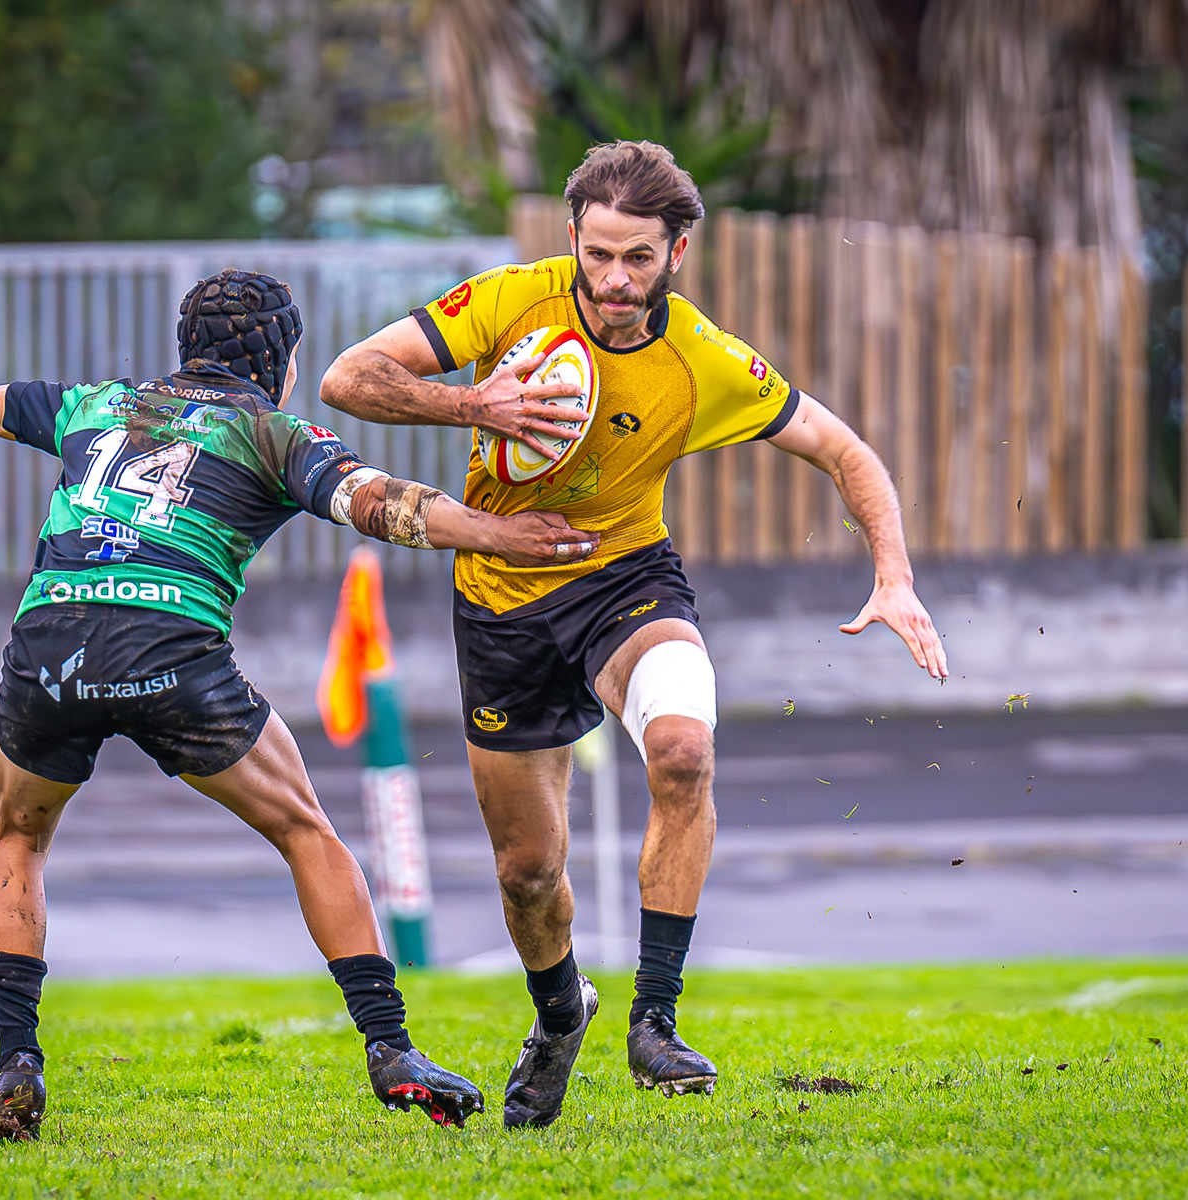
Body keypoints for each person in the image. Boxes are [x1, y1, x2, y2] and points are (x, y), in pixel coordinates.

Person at [0, 269, 599, 1141]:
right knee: (306, 830)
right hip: (169, 647)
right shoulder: (272, 432)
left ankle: (18, 1065)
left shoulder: (98, 402)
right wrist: (497, 531)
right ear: (280, 358)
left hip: (51, 641)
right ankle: (389, 1050)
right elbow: (380, 505)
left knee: (18, 838)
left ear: (187, 346)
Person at [320, 142, 949, 1128]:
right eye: (600, 254)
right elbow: (346, 379)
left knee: (684, 751)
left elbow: (843, 448)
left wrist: (895, 576)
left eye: (639, 260)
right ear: (573, 236)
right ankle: (560, 1014)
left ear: (678, 253)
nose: (615, 280)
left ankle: (654, 1021)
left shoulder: (700, 359)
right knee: (529, 875)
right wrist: (471, 402)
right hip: (502, 600)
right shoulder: (505, 299)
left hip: (625, 580)